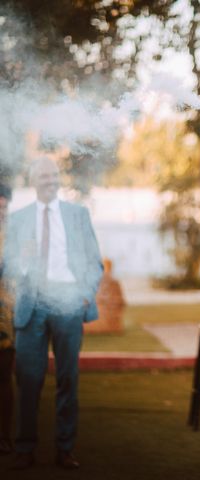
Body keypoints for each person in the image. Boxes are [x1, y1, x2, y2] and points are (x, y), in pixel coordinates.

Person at [3, 157, 103, 470]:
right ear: (33, 181)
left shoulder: (77, 214)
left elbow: (93, 261)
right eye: (44, 176)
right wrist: (22, 260)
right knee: (29, 380)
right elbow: (6, 268)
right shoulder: (19, 219)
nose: (50, 180)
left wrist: (85, 296)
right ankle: (25, 448)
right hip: (32, 307)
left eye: (54, 175)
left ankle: (64, 449)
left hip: (69, 303)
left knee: (67, 380)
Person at [0, 184, 14, 455]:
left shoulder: (16, 235)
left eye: (3, 208)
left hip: (5, 319)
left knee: (3, 378)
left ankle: (4, 437)